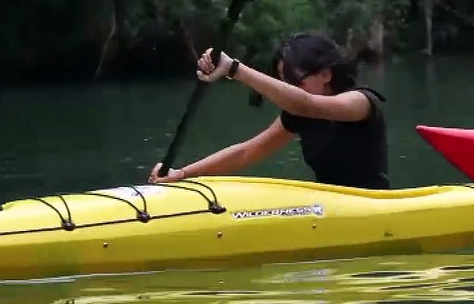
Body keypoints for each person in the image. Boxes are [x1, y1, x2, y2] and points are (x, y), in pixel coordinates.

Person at [149, 31, 390, 189]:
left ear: (326, 74)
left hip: (371, 204)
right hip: (331, 206)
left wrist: (235, 69)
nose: (286, 90)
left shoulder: (360, 102)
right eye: (283, 81)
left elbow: (303, 102)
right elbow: (246, 152)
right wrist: (182, 174)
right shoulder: (300, 115)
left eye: (294, 81)